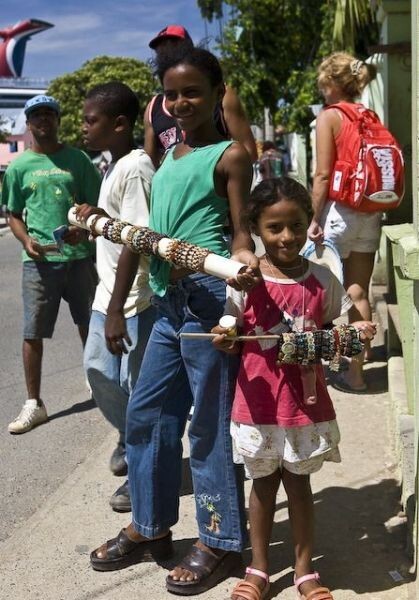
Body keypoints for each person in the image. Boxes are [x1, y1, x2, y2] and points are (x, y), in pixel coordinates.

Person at [89, 46, 260, 595]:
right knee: (147, 415)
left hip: (210, 296)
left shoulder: (230, 155)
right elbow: (144, 235)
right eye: (172, 93)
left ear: (217, 94)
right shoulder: (165, 160)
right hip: (167, 302)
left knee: (209, 425)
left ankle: (219, 539)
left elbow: (238, 230)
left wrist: (244, 262)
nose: (181, 102)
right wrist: (118, 301)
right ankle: (150, 525)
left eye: (193, 92)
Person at [212, 177, 376, 600]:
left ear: (309, 224)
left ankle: (305, 572)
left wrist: (356, 333)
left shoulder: (322, 279)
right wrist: (225, 338)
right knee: (264, 484)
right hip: (258, 402)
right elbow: (230, 327)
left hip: (303, 403)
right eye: (274, 228)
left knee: (299, 486)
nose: (287, 237)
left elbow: (342, 326)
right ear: (256, 228)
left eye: (296, 226)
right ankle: (259, 571)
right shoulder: (245, 282)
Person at [75, 82, 155, 512]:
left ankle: (142, 475)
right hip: (109, 295)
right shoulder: (114, 164)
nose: (83, 127)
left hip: (133, 300)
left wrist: (116, 312)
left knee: (137, 391)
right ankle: (133, 440)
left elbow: (138, 240)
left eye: (91, 120)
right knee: (98, 374)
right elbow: (119, 225)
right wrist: (93, 221)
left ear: (120, 124)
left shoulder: (137, 167)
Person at [4, 94, 101, 434]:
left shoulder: (79, 160)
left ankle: (99, 382)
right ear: (28, 124)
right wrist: (24, 240)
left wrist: (82, 229)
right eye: (36, 115)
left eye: (49, 114)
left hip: (79, 259)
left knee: (91, 323)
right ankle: (34, 403)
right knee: (32, 333)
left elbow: (97, 206)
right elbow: (13, 214)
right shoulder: (18, 166)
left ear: (59, 121)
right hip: (39, 261)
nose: (43, 120)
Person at [307, 52, 378, 393]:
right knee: (358, 291)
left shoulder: (330, 117)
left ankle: (323, 367)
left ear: (332, 83)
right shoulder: (370, 115)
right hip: (370, 211)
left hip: (339, 212)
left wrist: (312, 217)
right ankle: (357, 374)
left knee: (324, 296)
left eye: (323, 83)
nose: (322, 91)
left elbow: (322, 174)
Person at [144, 24, 258, 167]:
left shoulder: (223, 95)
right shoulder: (153, 107)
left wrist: (205, 169)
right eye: (160, 48)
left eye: (173, 44)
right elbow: (149, 164)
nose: (166, 51)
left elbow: (249, 152)